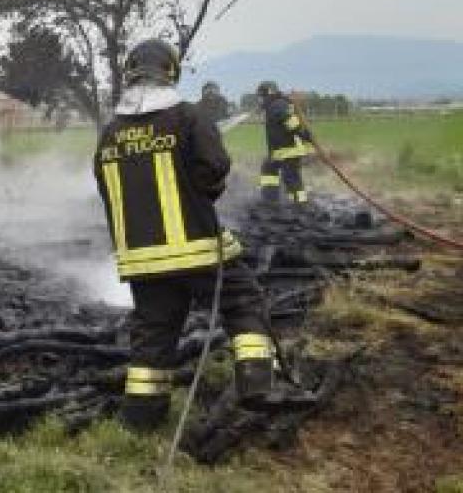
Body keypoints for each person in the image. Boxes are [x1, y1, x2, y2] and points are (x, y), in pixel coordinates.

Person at [94, 39, 276, 431]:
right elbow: (215, 167)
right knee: (242, 300)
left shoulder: (110, 133)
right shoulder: (188, 117)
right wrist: (199, 196)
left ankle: (140, 420)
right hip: (197, 249)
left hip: (141, 260)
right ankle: (258, 383)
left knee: (153, 336)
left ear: (130, 74)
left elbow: (106, 188)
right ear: (171, 72)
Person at [256, 81, 315, 204]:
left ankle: (300, 203)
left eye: (260, 96)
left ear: (268, 94)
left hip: (290, 149)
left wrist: (305, 135)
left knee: (290, 177)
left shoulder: (278, 105)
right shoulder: (274, 105)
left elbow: (292, 123)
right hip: (279, 150)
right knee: (268, 168)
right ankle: (270, 198)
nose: (259, 100)